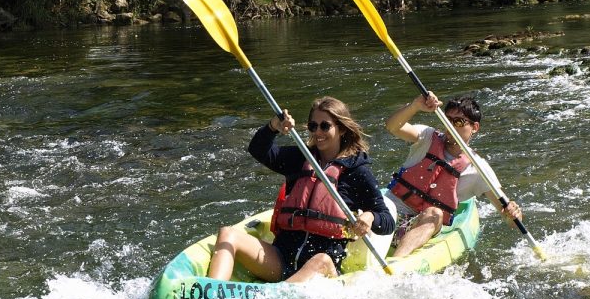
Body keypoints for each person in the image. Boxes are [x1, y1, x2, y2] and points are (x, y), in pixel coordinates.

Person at [208, 96, 395, 283]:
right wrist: (273, 126)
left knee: (321, 260)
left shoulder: (357, 172)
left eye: (325, 126)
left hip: (321, 269)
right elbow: (258, 150)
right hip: (281, 258)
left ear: (342, 129)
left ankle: (277, 296)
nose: (318, 132)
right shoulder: (300, 158)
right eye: (313, 126)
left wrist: (370, 217)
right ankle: (211, 292)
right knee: (227, 233)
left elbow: (387, 221)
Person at [385, 93, 523, 258]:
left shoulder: (478, 169)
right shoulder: (427, 137)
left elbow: (510, 219)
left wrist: (513, 213)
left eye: (458, 122)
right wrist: (415, 105)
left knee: (435, 213)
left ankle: (396, 263)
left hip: (420, 226)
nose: (451, 126)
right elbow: (392, 127)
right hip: (389, 213)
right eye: (448, 120)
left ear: (475, 127)